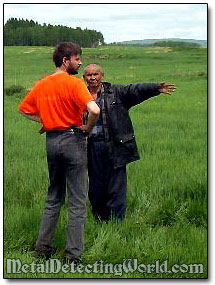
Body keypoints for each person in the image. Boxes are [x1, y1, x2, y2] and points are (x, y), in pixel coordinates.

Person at [18, 43, 100, 262]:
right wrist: (88, 128)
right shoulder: (74, 83)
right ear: (66, 60)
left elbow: (24, 109)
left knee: (53, 196)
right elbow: (95, 109)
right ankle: (73, 257)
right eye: (76, 58)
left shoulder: (42, 84)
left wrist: (45, 120)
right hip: (73, 140)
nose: (80, 62)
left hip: (52, 142)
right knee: (77, 200)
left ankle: (42, 250)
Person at [83, 64, 176, 222]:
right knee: (95, 185)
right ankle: (99, 218)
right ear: (84, 77)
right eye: (89, 75)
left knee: (116, 185)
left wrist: (155, 88)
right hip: (90, 146)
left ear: (102, 75)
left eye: (96, 74)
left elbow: (135, 90)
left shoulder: (116, 92)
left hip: (114, 145)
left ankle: (117, 222)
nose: (92, 78)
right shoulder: (80, 94)